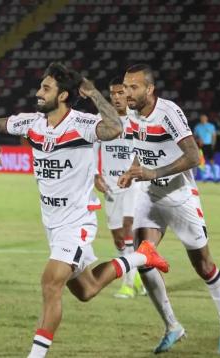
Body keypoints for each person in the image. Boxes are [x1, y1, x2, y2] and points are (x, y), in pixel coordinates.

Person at [0, 62, 170, 358]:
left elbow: (115, 127)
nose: (38, 93)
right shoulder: (31, 123)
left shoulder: (82, 124)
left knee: (50, 282)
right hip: (52, 224)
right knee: (87, 290)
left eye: (46, 88)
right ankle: (142, 255)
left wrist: (93, 93)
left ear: (64, 95)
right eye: (41, 87)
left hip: (76, 221)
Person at [118, 64, 220, 355]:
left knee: (204, 265)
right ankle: (172, 326)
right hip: (149, 195)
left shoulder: (168, 113)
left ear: (150, 89)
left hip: (180, 196)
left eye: (134, 87)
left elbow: (194, 156)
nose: (127, 92)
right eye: (125, 86)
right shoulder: (131, 115)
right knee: (144, 258)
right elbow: (141, 147)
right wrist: (132, 171)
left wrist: (153, 173)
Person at [94, 76, 146, 299]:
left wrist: (133, 170)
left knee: (128, 229)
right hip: (110, 185)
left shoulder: (139, 120)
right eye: (112, 94)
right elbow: (89, 148)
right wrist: (95, 175)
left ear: (128, 93)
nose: (116, 98)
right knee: (117, 237)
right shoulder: (102, 120)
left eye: (120, 93)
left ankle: (127, 284)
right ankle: (136, 274)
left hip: (134, 184)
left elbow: (146, 149)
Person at [193, 114, 218, 181]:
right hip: (201, 146)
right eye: (202, 118)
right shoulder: (197, 127)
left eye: (204, 118)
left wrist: (213, 144)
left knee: (212, 161)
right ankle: (203, 178)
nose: (203, 119)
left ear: (207, 119)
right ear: (200, 119)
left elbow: (214, 136)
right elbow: (194, 137)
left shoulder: (211, 126)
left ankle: (215, 178)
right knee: (202, 161)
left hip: (209, 145)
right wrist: (198, 140)